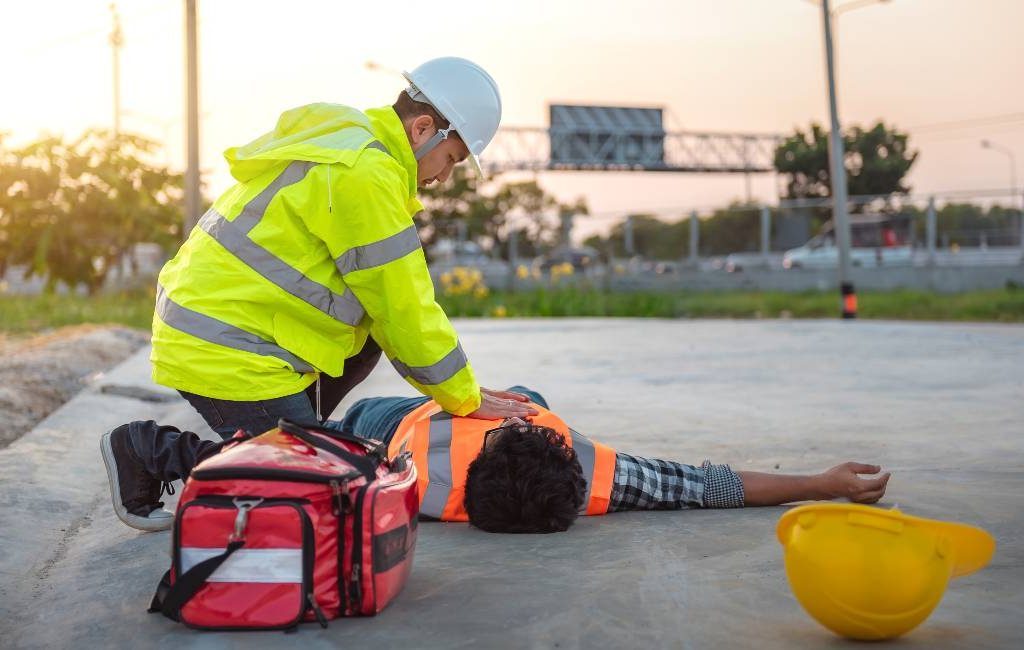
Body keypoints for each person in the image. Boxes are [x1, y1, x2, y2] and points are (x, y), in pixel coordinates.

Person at [150, 56, 534, 447]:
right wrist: (466, 397)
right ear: (422, 129)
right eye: (451, 158)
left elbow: (388, 314)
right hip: (225, 349)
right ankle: (150, 452)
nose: (443, 177)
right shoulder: (365, 173)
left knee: (366, 341)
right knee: (327, 479)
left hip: (214, 331)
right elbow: (403, 306)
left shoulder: (350, 141)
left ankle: (295, 438)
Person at [101, 387, 890, 533]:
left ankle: (155, 447)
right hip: (397, 412)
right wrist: (818, 483)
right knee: (318, 446)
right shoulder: (597, 475)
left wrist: (823, 483)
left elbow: (710, 483)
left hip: (391, 425)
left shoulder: (405, 483)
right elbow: (707, 486)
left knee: (308, 455)